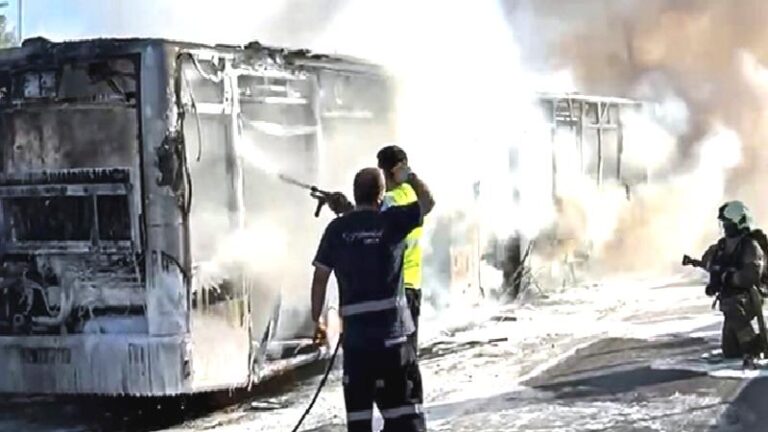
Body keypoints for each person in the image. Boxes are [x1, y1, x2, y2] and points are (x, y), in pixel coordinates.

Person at [310, 167, 430, 432]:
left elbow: (320, 277)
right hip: (394, 344)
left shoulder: (337, 230)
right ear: (382, 194)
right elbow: (427, 202)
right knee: (406, 420)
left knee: (359, 422)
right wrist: (407, 175)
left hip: (357, 347)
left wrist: (317, 320)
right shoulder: (394, 221)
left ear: (355, 193)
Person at [376, 145, 435, 350]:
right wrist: (410, 176)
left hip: (395, 287)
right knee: (408, 353)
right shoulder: (410, 193)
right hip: (413, 285)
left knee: (393, 353)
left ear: (386, 171)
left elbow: (369, 223)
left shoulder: (390, 201)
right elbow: (428, 201)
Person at [701, 200, 766, 362]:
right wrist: (714, 275)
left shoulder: (750, 245)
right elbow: (709, 260)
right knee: (730, 351)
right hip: (732, 298)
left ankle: (753, 347)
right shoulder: (723, 246)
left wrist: (728, 277)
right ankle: (754, 344)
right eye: (724, 223)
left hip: (749, 296)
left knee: (731, 306)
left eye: (728, 223)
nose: (725, 227)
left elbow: (751, 275)